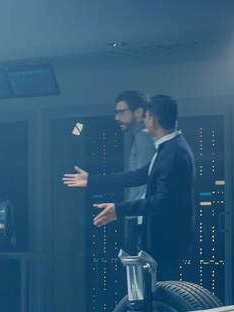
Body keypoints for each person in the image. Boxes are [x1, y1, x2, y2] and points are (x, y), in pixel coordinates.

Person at [63, 95, 195, 281]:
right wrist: (92, 180)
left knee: (158, 295)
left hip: (165, 241)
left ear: (152, 119)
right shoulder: (168, 148)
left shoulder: (174, 152)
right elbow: (138, 175)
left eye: (146, 116)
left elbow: (162, 201)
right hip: (161, 238)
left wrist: (119, 209)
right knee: (150, 292)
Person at [114, 91, 156, 254]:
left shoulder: (144, 137)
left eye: (121, 112)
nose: (117, 118)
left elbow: (146, 180)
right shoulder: (141, 136)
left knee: (140, 274)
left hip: (141, 219)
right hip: (139, 216)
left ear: (138, 112)